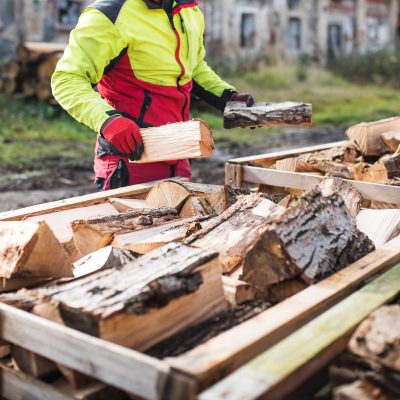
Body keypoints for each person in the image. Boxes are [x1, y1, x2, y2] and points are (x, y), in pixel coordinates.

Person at [52, 0, 254, 190]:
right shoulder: (109, 14)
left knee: (187, 227)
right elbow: (67, 79)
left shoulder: (188, 9)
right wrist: (108, 121)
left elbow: (194, 67)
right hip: (130, 159)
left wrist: (228, 96)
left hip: (178, 153)